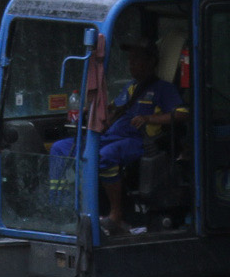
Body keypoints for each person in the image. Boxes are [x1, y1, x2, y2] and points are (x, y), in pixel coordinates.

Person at [49, 42, 186, 237]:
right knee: (59, 148)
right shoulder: (130, 88)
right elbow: (113, 108)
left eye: (136, 60)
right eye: (130, 60)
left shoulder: (163, 89)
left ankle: (116, 212)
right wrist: (92, 111)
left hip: (139, 142)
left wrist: (150, 118)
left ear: (151, 62)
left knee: (105, 156)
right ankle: (59, 207)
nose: (131, 64)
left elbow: (182, 114)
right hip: (111, 136)